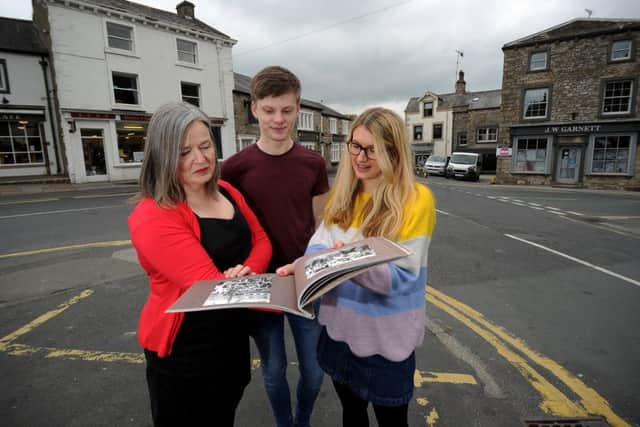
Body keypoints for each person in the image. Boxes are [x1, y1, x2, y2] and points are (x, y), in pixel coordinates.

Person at [277, 107, 436, 427]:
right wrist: (303, 266)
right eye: (355, 146)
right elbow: (319, 245)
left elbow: (403, 278)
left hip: (385, 344)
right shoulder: (344, 196)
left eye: (371, 150)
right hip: (338, 335)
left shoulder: (415, 200)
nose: (360, 158)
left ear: (394, 152)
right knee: (352, 415)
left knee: (393, 422)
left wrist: (350, 262)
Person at [128, 102, 272, 426]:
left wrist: (249, 270)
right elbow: (210, 288)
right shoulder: (153, 215)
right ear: (163, 157)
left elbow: (261, 240)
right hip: (185, 357)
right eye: (184, 152)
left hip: (230, 341)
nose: (201, 158)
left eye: (206, 146)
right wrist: (281, 294)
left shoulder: (227, 190)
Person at [221, 66, 329, 427]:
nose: (278, 119)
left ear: (298, 108)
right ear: (254, 109)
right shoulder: (234, 168)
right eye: (269, 110)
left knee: (314, 373)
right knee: (274, 369)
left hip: (303, 283)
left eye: (286, 110)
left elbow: (322, 227)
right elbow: (228, 229)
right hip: (261, 284)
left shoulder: (313, 163)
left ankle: (302, 420)